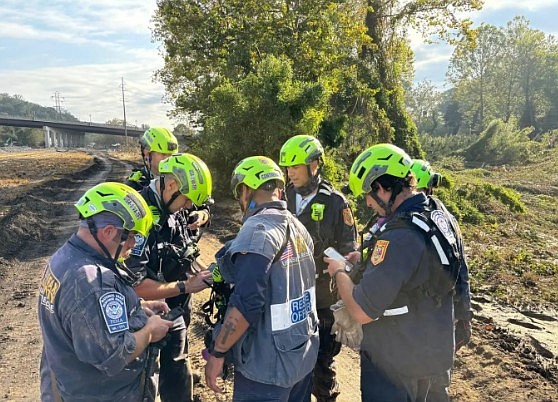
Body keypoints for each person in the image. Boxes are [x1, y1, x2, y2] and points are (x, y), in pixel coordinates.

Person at [325, 144, 460, 402]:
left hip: (395, 360)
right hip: (432, 351)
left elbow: (362, 311)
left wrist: (340, 271)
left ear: (383, 188)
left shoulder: (399, 234)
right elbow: (420, 271)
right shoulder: (435, 215)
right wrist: (365, 258)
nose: (366, 202)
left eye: (368, 193)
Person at [38, 182, 174, 401]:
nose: (132, 244)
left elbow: (85, 318)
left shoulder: (67, 257)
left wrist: (137, 308)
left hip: (69, 384)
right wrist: (150, 331)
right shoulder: (90, 282)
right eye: (130, 236)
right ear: (109, 232)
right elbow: (113, 356)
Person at [204, 156, 320, 402]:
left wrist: (217, 353)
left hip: (267, 369)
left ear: (245, 191)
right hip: (302, 355)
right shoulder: (299, 228)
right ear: (278, 189)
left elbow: (247, 303)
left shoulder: (257, 231)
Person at [125, 152, 214, 402]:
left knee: (177, 374)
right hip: (145, 317)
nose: (188, 207)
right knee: (145, 384)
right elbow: (138, 285)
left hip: (176, 311)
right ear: (172, 185)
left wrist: (205, 272)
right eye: (187, 201)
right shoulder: (140, 216)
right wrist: (187, 286)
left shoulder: (174, 208)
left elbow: (182, 252)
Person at [278, 134, 357, 402]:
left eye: (296, 167)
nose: (291, 174)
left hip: (322, 297)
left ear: (314, 165)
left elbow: (349, 250)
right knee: (289, 360)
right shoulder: (283, 197)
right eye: (287, 168)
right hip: (287, 294)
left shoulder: (336, 202)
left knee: (322, 365)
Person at [410, 158, 473, 400]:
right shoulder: (442, 217)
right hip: (435, 316)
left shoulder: (431, 220)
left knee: (433, 383)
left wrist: (464, 315)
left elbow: (460, 271)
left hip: (433, 315)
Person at [125, 127, 179, 191]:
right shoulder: (135, 185)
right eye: (163, 154)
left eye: (171, 155)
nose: (168, 159)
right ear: (146, 153)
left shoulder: (182, 180)